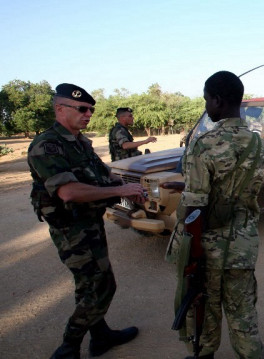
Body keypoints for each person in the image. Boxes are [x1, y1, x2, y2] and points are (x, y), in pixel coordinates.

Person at [28, 83, 145, 359]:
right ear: (60, 109)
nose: (88, 114)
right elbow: (68, 192)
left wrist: (128, 187)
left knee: (90, 285)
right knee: (100, 287)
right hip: (71, 229)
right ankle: (68, 347)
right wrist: (119, 191)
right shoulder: (47, 145)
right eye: (82, 108)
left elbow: (102, 174)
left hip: (90, 224)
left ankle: (100, 335)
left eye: (90, 109)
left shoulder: (78, 142)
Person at [174, 71, 264, 359]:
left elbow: (195, 208)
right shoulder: (257, 143)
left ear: (217, 100)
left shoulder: (204, 143)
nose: (206, 107)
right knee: (243, 317)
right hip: (243, 244)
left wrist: (192, 254)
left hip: (209, 248)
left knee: (205, 311)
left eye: (206, 100)